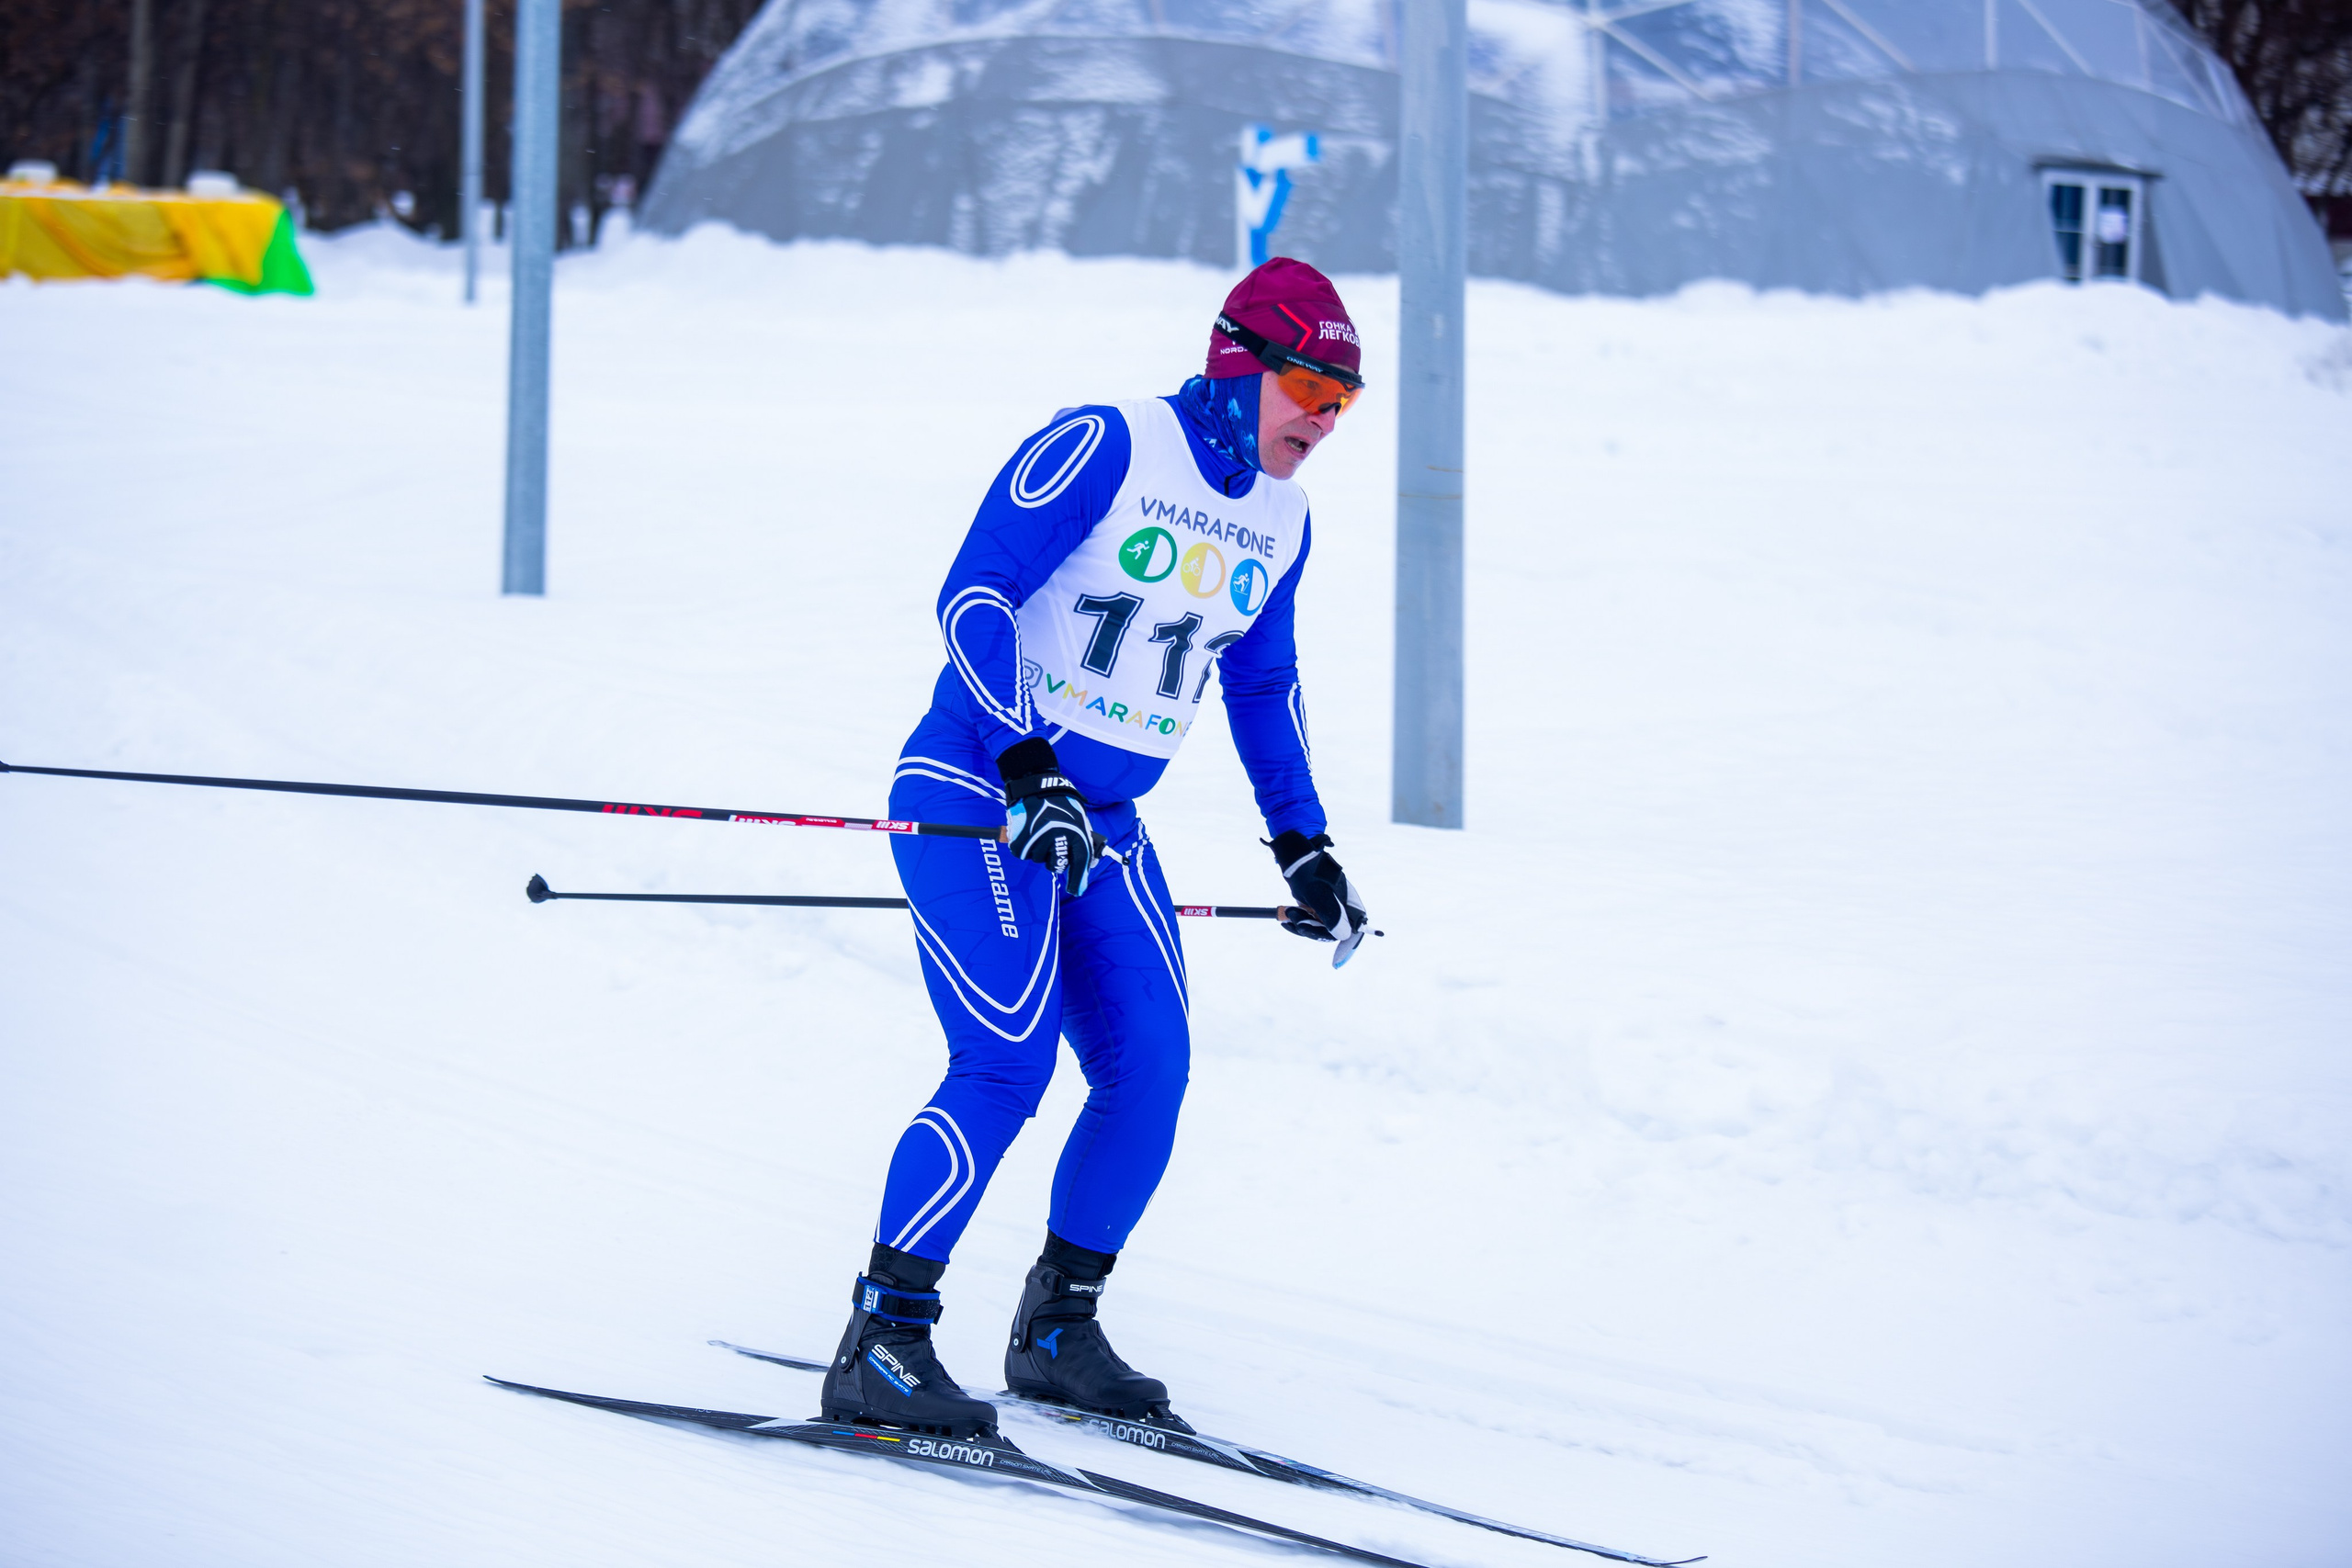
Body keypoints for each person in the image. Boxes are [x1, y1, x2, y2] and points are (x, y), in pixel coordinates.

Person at [820, 258, 1374, 1438]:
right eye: (1310, 387)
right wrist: (1027, 763)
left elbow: (1262, 687)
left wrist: (1303, 846)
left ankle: (1057, 1329)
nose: (1324, 420)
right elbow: (972, 596)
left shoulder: (1283, 516)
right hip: (978, 790)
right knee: (1003, 1065)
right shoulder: (1110, 445)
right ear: (1240, 363)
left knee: (1151, 1073)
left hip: (1104, 825)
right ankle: (883, 1337)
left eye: (1346, 400)